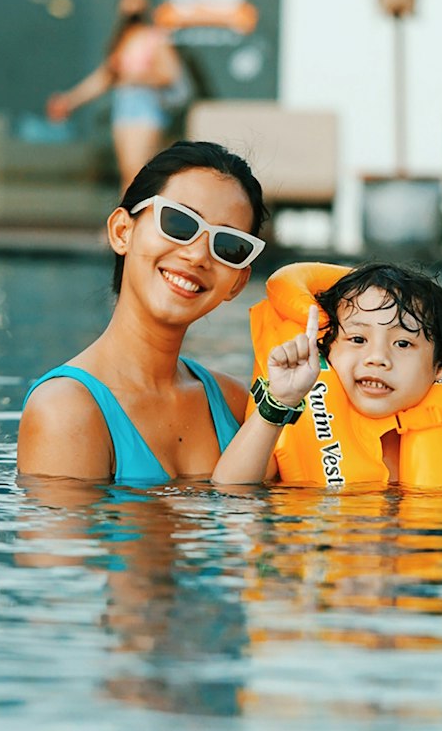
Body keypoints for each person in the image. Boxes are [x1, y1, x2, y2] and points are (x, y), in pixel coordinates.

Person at [17, 141, 266, 487]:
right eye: (179, 223)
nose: (197, 256)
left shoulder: (239, 403)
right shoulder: (65, 410)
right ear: (122, 231)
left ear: (238, 281)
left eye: (228, 245)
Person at [212, 261, 442, 488]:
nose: (378, 359)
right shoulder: (294, 419)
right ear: (328, 349)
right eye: (358, 339)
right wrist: (279, 403)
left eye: (403, 343)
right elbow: (232, 487)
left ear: (439, 368)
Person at [45, 0, 191, 190]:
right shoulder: (121, 44)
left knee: (138, 171)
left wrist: (137, 76)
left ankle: (135, 218)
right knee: (127, 172)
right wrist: (70, 100)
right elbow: (102, 79)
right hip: (125, 109)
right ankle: (128, 218)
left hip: (145, 109)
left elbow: (169, 74)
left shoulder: (155, 40)